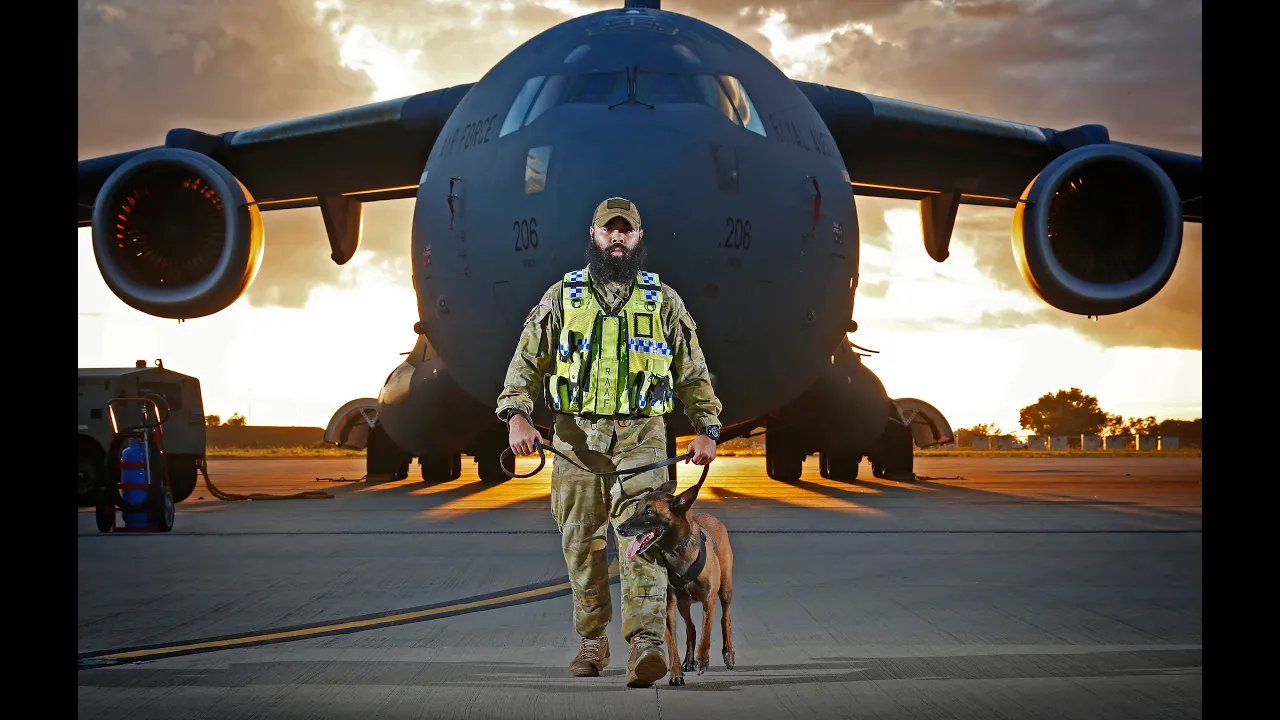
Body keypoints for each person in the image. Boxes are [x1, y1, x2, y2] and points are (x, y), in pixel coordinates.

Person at [495, 196, 724, 688]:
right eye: (608, 229)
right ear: (594, 235)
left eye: (626, 230)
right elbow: (526, 363)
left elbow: (693, 372)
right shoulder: (562, 298)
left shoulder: (663, 301)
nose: (616, 237)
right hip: (576, 440)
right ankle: (592, 641)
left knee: (646, 538)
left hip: (643, 437)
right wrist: (517, 417)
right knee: (581, 544)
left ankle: (647, 643)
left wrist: (707, 428)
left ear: (638, 237)